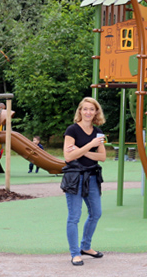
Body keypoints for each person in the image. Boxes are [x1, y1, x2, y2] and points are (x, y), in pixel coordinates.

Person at [61, 97, 107, 266]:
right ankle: (75, 253)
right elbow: (68, 156)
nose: (88, 112)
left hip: (92, 177)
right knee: (74, 216)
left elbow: (102, 157)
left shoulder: (98, 132)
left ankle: (85, 246)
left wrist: (83, 151)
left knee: (96, 213)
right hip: (74, 177)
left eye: (91, 109)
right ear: (80, 111)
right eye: (85, 109)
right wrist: (90, 145)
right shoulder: (72, 130)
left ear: (96, 112)